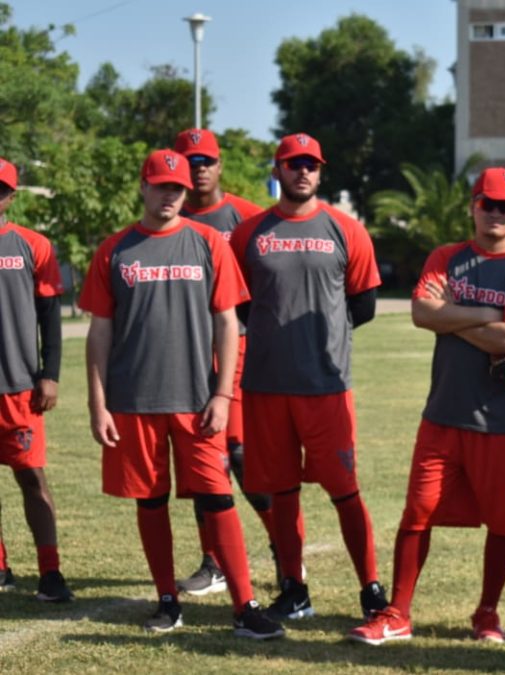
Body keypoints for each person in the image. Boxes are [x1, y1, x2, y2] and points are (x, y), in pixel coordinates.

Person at [80, 149, 283, 639]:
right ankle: (167, 601)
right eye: (161, 186)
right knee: (151, 502)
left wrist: (222, 395)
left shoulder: (208, 243)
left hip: (197, 402)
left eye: (178, 189)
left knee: (217, 499)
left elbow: (228, 324)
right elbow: (99, 332)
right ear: (143, 187)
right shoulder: (115, 250)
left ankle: (244, 604)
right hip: (132, 402)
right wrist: (97, 402)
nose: (170, 195)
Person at [349, 167, 505, 645]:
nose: (496, 213)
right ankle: (398, 613)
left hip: (502, 421)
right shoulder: (446, 257)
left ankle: (487, 614)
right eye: (488, 203)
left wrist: (448, 317)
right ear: (472, 206)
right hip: (442, 416)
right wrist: (486, 315)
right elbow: (418, 313)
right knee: (417, 513)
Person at [229, 133, 388, 627]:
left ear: (321, 172)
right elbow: (239, 303)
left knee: (345, 490)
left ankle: (371, 587)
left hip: (326, 386)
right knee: (280, 492)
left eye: (311, 165)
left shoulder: (346, 229)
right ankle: (294, 589)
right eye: (293, 164)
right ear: (277, 170)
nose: (303, 172)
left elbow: (362, 304)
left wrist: (325, 332)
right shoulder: (249, 233)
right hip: (266, 386)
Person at [171, 128, 278, 596]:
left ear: (219, 165)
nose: (198, 169)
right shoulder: (169, 218)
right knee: (200, 461)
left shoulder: (248, 216)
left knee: (241, 458)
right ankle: (213, 562)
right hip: (188, 355)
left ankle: (282, 550)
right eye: (189, 161)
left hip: (242, 351)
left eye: (205, 161)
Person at [0, 156, 73, 603]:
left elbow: (51, 316)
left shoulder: (33, 245)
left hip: (19, 388)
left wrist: (50, 375)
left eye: (0, 188)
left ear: (11, 195)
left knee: (32, 480)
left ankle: (50, 572)